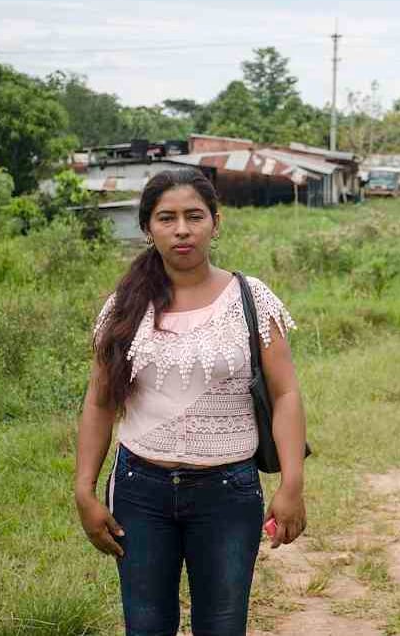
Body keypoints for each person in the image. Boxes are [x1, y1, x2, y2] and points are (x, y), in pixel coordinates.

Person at [74, 169, 308, 635]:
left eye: (194, 216)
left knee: (222, 625)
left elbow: (285, 394)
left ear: (215, 223)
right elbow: (100, 403)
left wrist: (292, 484)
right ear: (148, 228)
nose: (182, 229)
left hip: (228, 492)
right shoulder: (123, 306)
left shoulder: (250, 298)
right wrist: (84, 489)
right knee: (146, 625)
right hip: (140, 491)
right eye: (167, 218)